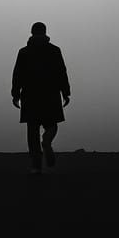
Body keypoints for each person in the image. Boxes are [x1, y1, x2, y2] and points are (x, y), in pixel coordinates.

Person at [11, 21, 70, 173]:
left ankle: (36, 165)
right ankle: (47, 141)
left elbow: (17, 74)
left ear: (32, 32)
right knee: (51, 124)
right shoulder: (54, 50)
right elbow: (61, 72)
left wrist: (15, 94)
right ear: (45, 32)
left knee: (32, 130)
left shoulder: (23, 52)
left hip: (30, 94)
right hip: (50, 93)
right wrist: (66, 92)